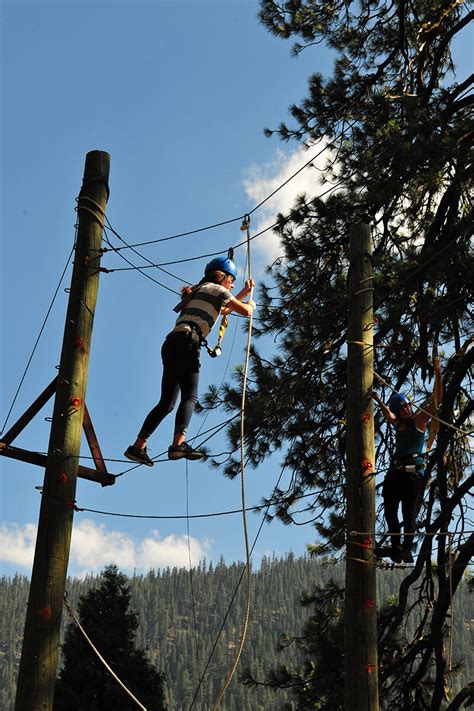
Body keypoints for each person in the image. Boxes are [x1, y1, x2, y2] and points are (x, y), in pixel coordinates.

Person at [124, 256, 256, 466]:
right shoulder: (218, 289)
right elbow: (244, 311)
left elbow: (223, 309)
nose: (232, 284)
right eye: (231, 280)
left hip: (173, 342)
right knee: (190, 396)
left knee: (166, 403)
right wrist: (251, 304)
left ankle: (137, 447)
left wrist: (243, 294)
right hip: (188, 342)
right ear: (222, 277)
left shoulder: (199, 290)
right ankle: (178, 445)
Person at [372, 358, 443, 563]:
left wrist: (437, 373)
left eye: (406, 406)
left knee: (408, 512)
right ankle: (396, 547)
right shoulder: (398, 424)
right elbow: (388, 414)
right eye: (401, 409)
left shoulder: (419, 420)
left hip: (412, 470)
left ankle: (406, 549)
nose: (405, 410)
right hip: (396, 471)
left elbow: (437, 398)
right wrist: (377, 400)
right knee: (389, 509)